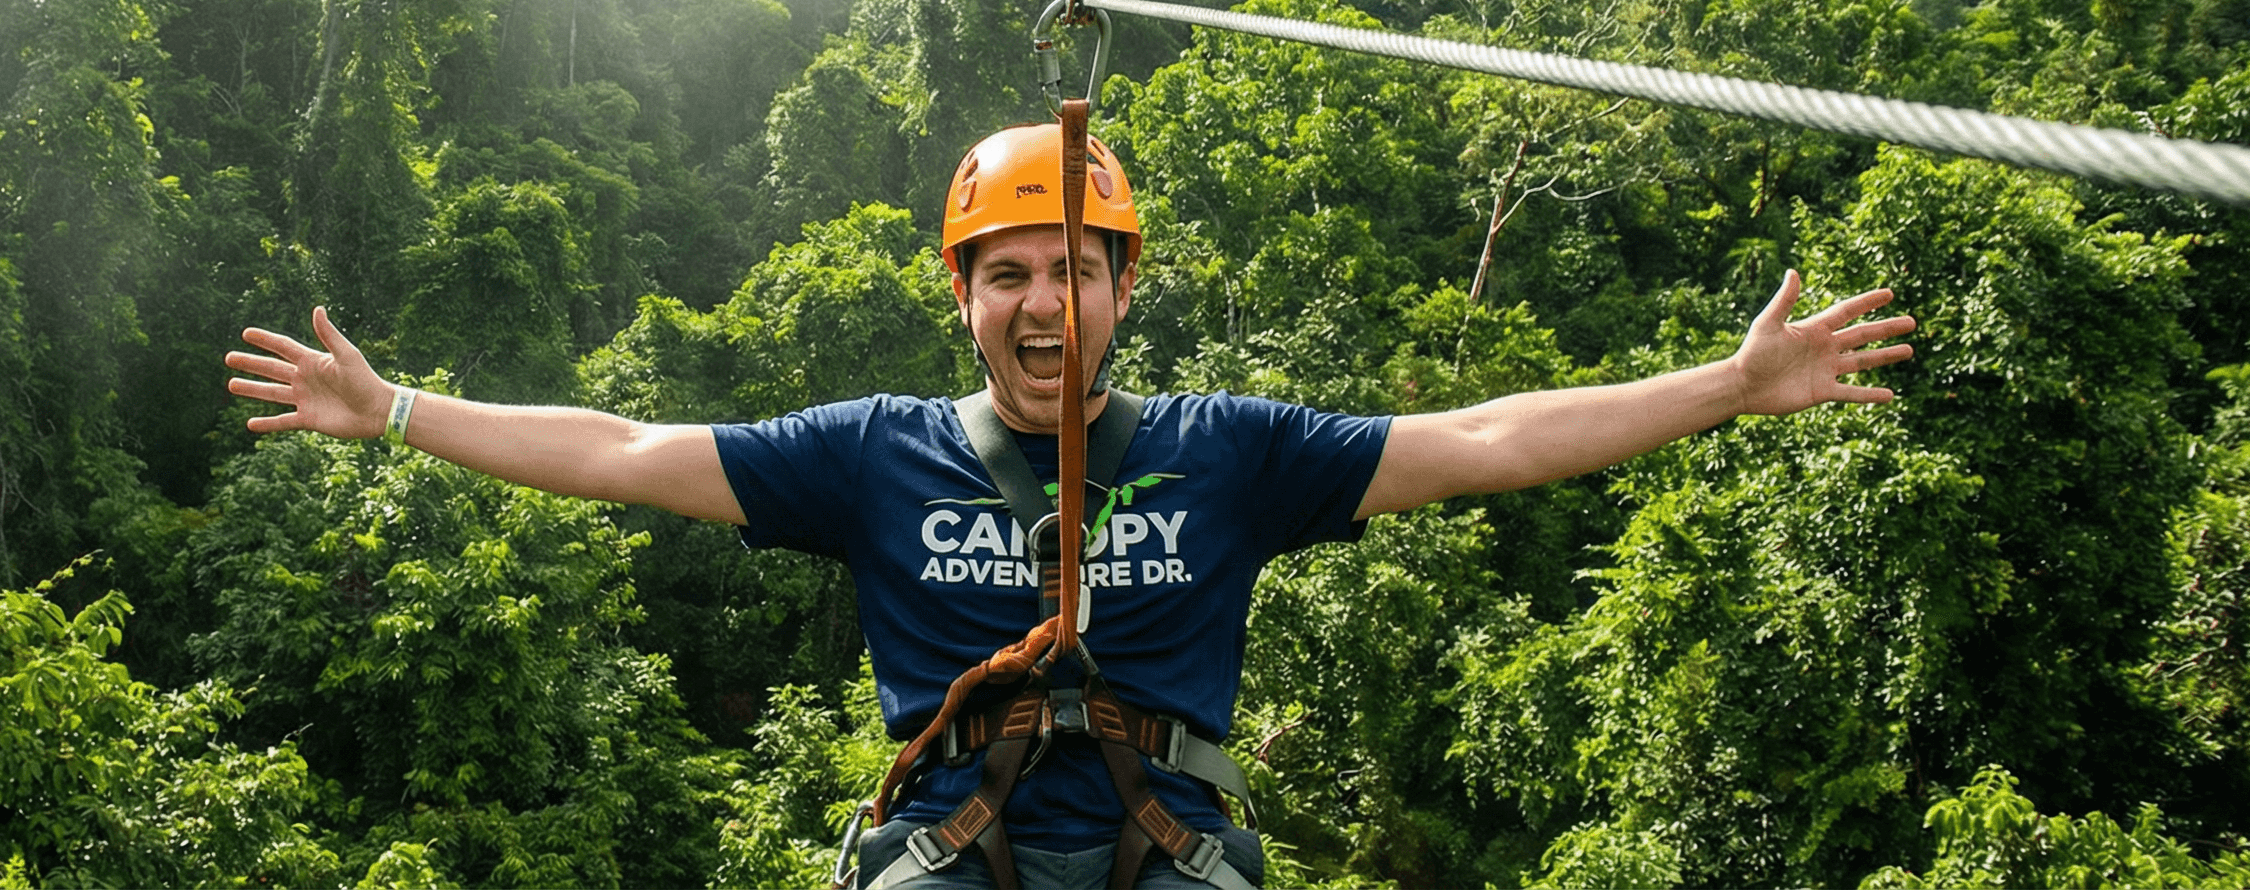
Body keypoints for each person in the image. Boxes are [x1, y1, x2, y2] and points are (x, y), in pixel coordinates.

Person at [225, 122, 1915, 890]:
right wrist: (398, 417)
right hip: (944, 857)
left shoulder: (1229, 449)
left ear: (1125, 291)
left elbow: (1484, 438)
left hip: (1168, 852)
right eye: (1011, 275)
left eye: (1078, 273)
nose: (1046, 306)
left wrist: (1727, 386)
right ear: (963, 297)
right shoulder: (874, 453)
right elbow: (623, 450)